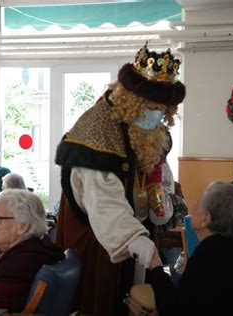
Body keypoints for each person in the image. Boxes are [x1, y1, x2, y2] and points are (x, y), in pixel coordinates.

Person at [55, 44, 185, 315]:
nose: (157, 116)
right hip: (98, 239)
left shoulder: (144, 130)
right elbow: (102, 199)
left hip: (128, 236)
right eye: (152, 107)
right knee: (99, 303)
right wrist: (134, 238)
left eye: (162, 110)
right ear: (132, 101)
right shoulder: (97, 130)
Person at [148, 182, 233, 316]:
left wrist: (157, 269)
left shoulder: (208, 255)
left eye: (197, 204)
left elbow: (175, 310)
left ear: (205, 219)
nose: (193, 208)